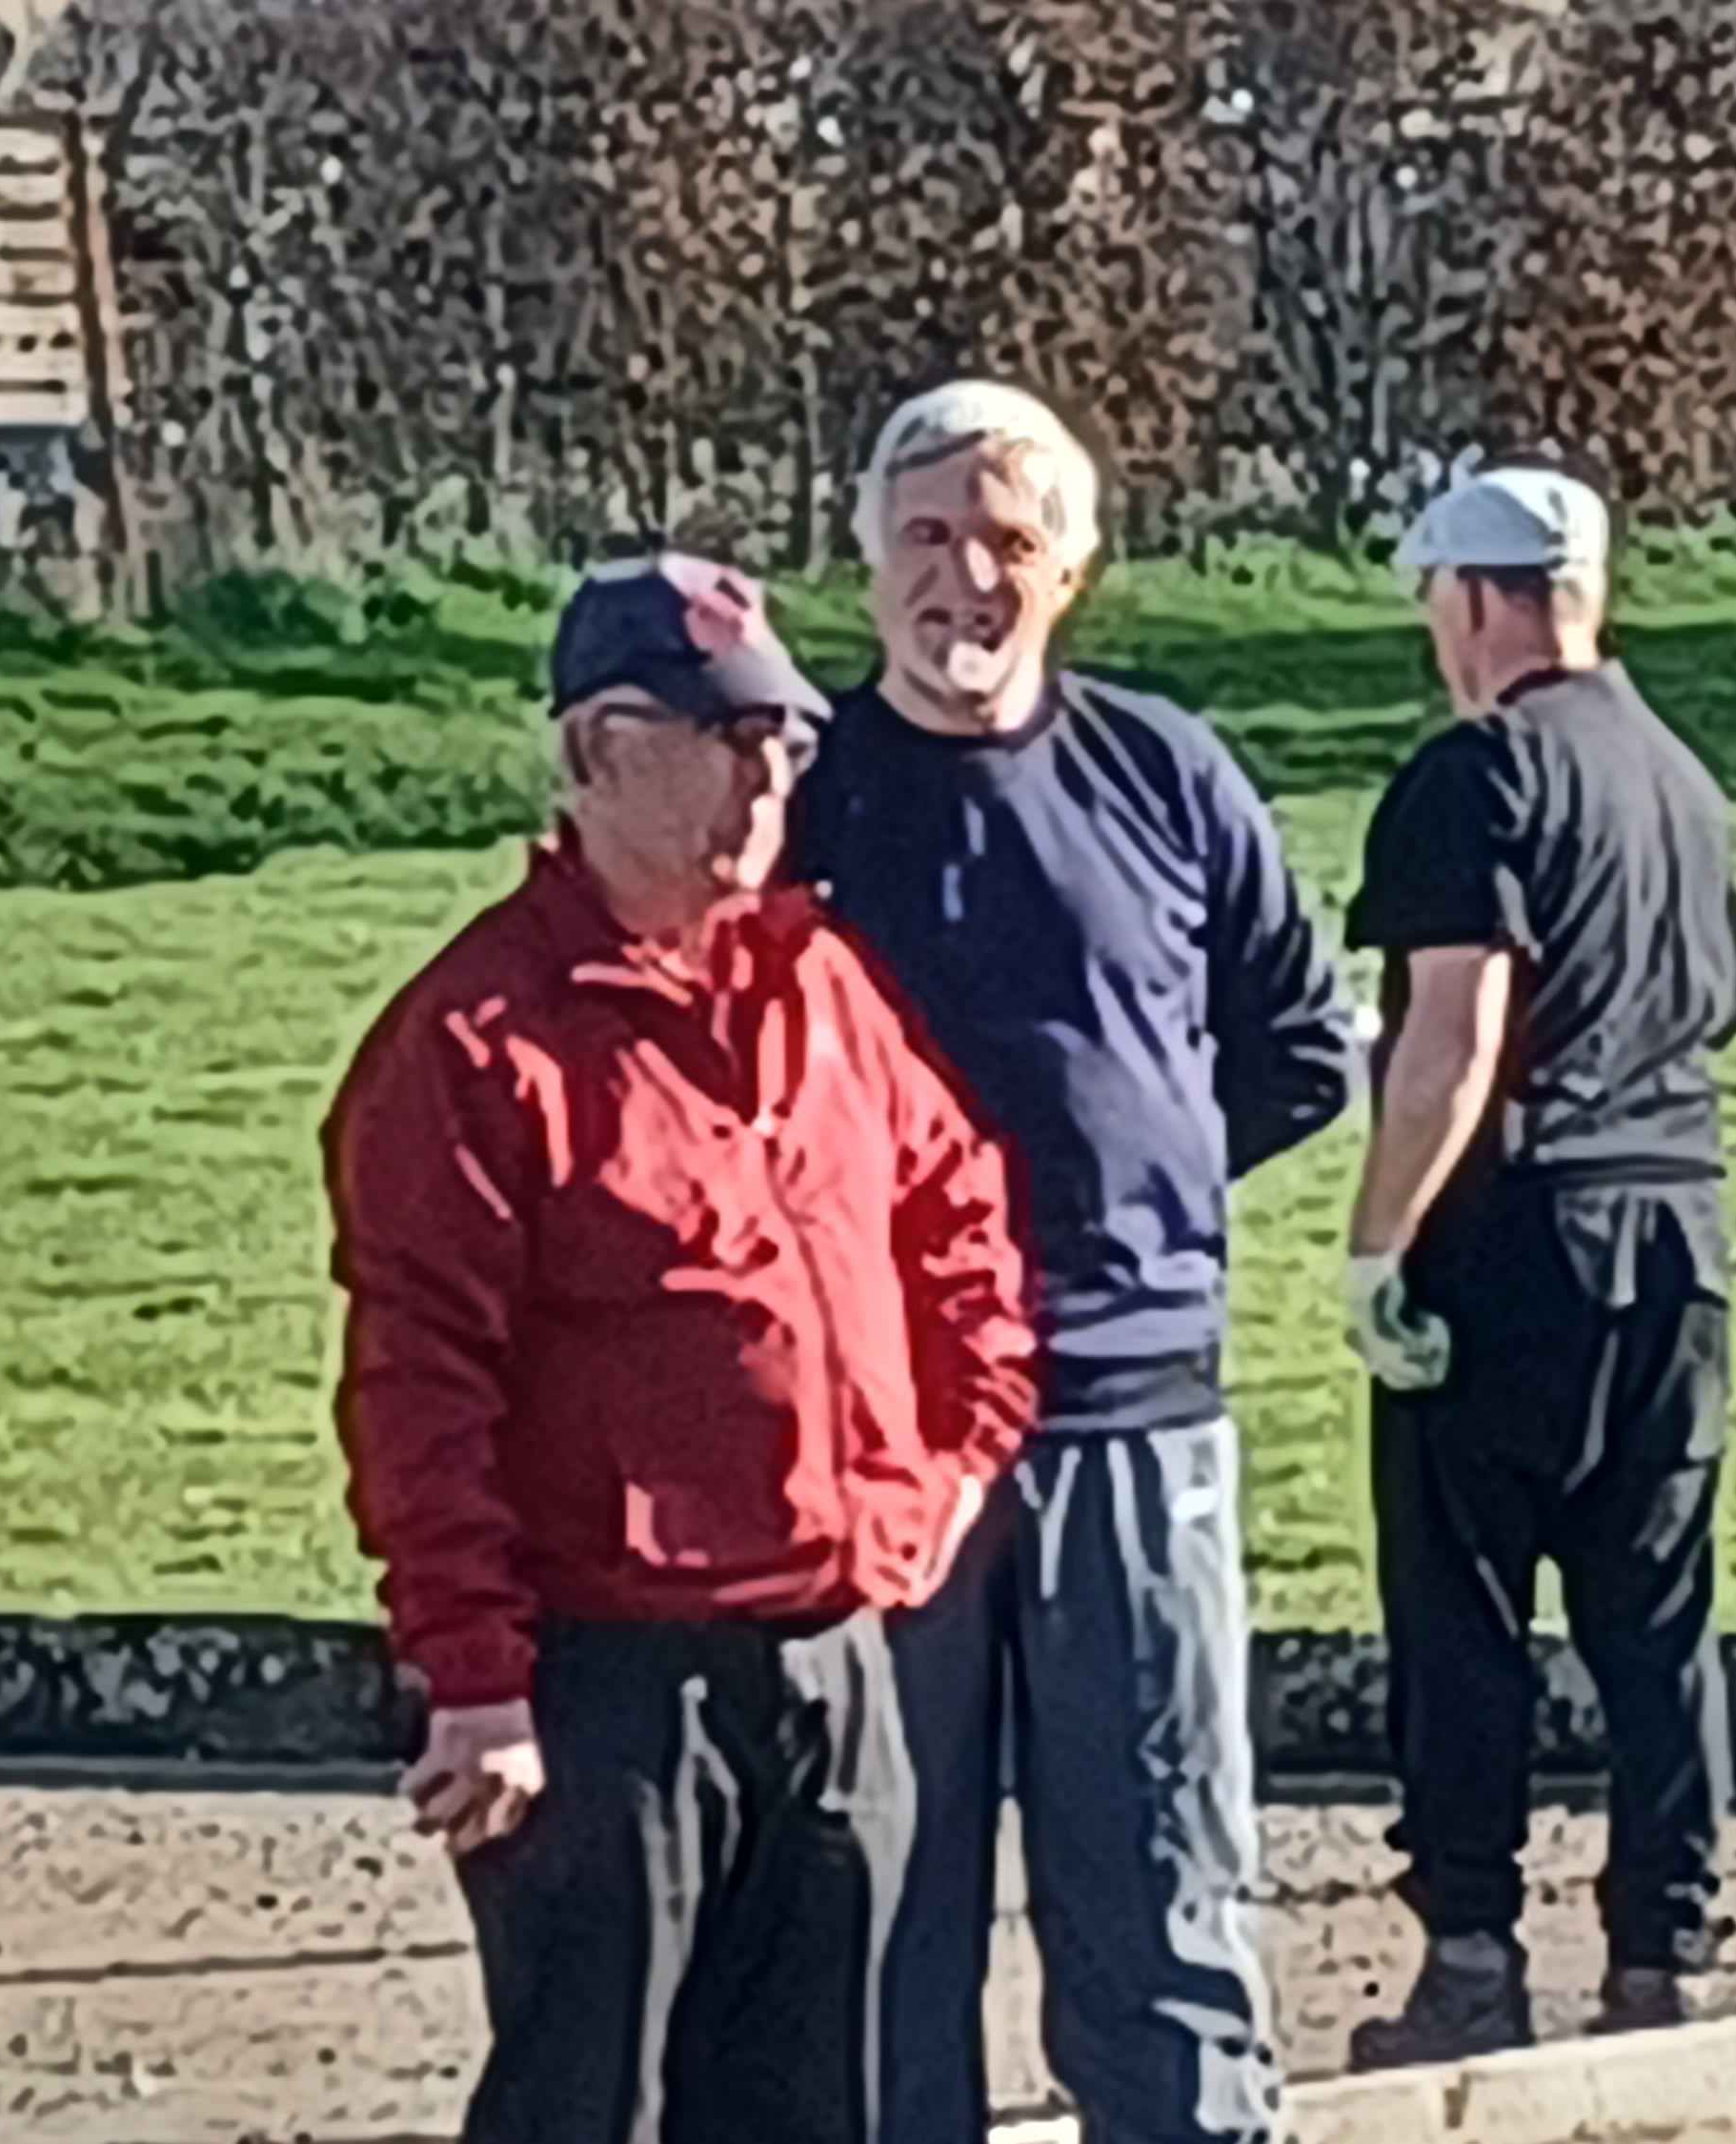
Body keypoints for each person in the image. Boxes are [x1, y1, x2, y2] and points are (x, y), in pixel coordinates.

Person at [321, 548, 1041, 2144]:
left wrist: (951, 1465)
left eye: (783, 738)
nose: (766, 778)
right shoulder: (473, 1043)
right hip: (609, 1682)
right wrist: (476, 1679)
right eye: (724, 737)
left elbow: (964, 1217)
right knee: (592, 2103)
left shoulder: (825, 987)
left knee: (824, 2107)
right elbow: (419, 1387)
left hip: (833, 1653)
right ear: (598, 749)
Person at [791, 380, 1359, 2144]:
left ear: (1076, 566)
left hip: (1132, 1408)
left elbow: (1298, 1045)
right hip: (884, 1436)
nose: (964, 579)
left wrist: (1147, 1191)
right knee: (880, 1904)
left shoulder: (1165, 770)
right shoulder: (802, 799)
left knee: (1164, 1881)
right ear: (867, 560)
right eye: (927, 537)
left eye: (1007, 540)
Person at [1336, 459, 1736, 2067]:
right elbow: (1712, 1004)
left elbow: (1456, 1037)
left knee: (1461, 1608)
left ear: (1471, 601)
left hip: (1515, 1239)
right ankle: (1669, 1944)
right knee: (1656, 1609)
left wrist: (1379, 1244)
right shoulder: (1683, 780)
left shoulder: (1476, 777)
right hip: (1680, 1238)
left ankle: (1470, 1953)